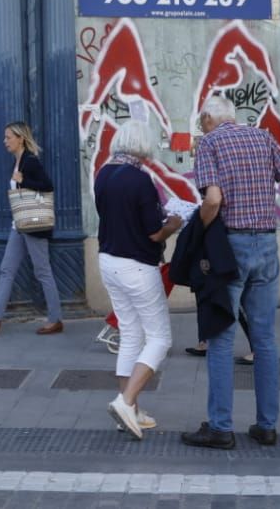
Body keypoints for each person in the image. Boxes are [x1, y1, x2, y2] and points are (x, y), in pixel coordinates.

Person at [182, 96, 280, 450]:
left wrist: (202, 232)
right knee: (264, 338)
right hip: (266, 247)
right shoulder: (264, 137)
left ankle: (221, 428)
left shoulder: (209, 143)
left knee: (222, 338)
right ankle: (266, 426)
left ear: (209, 118)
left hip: (231, 250)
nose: (201, 127)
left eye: (201, 121)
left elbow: (212, 200)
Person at [95, 119, 183, 439]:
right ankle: (126, 400)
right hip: (137, 266)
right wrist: (175, 222)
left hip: (108, 260)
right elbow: (154, 231)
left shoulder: (104, 173)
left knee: (131, 333)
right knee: (160, 338)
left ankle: (130, 409)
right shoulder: (140, 180)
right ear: (143, 145)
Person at [0, 122, 64, 335]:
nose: (5, 141)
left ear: (20, 138)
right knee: (6, 270)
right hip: (19, 224)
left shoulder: (30, 161)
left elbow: (48, 186)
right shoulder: (18, 161)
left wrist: (24, 180)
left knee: (42, 271)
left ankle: (56, 319)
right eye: (5, 137)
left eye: (8, 137)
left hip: (33, 225)